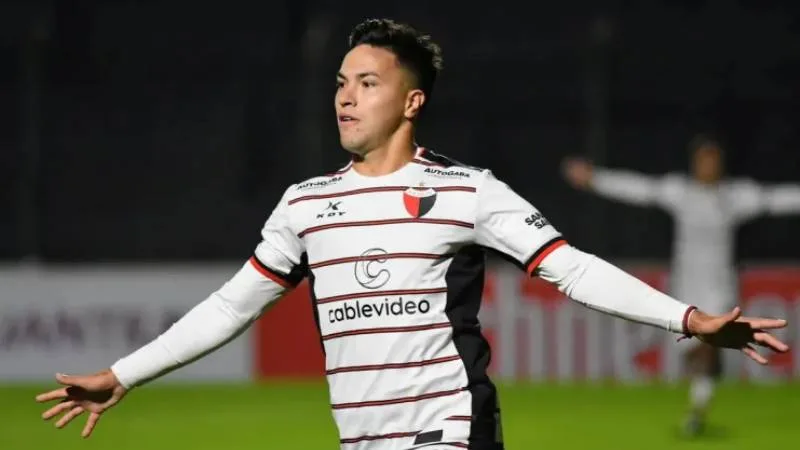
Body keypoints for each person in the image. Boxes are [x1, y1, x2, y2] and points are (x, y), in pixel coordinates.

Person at [36, 19, 788, 450]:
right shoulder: (305, 204)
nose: (346, 96)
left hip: (451, 432)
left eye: (367, 82)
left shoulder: (466, 190)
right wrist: (124, 373)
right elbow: (233, 307)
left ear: (411, 100)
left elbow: (571, 268)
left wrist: (687, 319)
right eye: (339, 82)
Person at [562, 135, 800, 435]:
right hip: (685, 284)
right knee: (693, 354)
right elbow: (640, 189)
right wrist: (595, 179)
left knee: (708, 348)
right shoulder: (681, 192)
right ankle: (701, 396)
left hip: (720, 287)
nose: (708, 166)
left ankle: (698, 409)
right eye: (703, 159)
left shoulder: (734, 196)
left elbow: (777, 198)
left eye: (713, 160)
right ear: (695, 163)